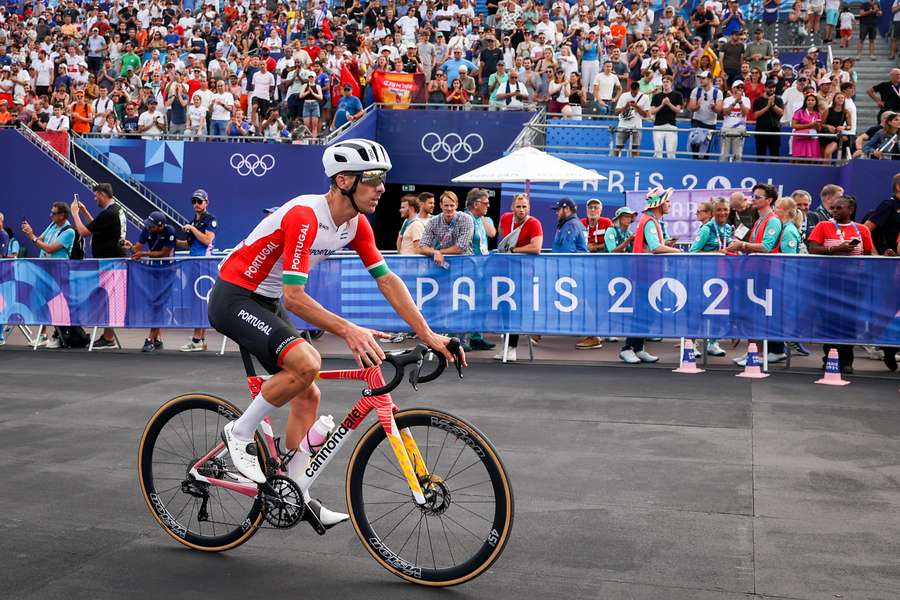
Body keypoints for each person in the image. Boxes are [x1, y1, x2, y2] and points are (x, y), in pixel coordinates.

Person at [210, 139, 462, 528]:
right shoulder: (305, 216)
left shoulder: (356, 224)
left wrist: (429, 335)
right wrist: (349, 329)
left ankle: (294, 491)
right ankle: (239, 431)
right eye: (374, 179)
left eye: (384, 180)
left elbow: (388, 281)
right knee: (308, 362)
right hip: (235, 296)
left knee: (308, 390)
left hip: (267, 299)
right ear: (343, 180)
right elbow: (295, 298)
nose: (382, 188)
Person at [808, 195, 876, 373]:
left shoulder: (862, 229)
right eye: (833, 208)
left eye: (839, 208)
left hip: (854, 283)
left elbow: (868, 254)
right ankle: (829, 358)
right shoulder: (823, 226)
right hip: (828, 281)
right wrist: (835, 249)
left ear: (850, 210)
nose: (835, 211)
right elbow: (812, 248)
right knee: (828, 320)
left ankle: (847, 361)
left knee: (850, 321)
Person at [726, 183, 787, 365]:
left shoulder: (773, 220)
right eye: (753, 196)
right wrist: (735, 245)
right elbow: (753, 245)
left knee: (759, 314)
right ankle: (752, 351)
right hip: (754, 272)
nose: (753, 199)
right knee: (752, 313)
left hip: (766, 274)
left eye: (757, 197)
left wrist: (742, 245)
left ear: (769, 200)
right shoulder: (759, 220)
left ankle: (759, 355)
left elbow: (766, 247)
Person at [621, 187, 681, 364]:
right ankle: (627, 349)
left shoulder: (652, 221)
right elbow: (655, 247)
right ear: (660, 203)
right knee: (642, 312)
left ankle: (638, 348)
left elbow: (654, 245)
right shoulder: (649, 221)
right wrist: (676, 251)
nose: (670, 204)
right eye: (667, 201)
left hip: (650, 274)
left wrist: (667, 245)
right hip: (644, 274)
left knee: (647, 313)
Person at [70, 184, 126, 349]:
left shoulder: (110, 213)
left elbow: (84, 231)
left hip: (110, 262)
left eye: (96, 196)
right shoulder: (116, 210)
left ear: (102, 194)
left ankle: (108, 338)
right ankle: (108, 336)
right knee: (108, 298)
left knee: (108, 298)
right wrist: (85, 212)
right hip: (112, 260)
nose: (95, 199)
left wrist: (75, 213)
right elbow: (97, 226)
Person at [494, 193, 544, 363]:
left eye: (524, 206)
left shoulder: (534, 223)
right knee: (503, 307)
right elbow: (503, 237)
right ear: (512, 207)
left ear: (528, 208)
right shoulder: (505, 219)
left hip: (523, 272)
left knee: (515, 308)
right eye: (518, 206)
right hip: (504, 270)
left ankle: (512, 348)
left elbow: (536, 247)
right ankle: (506, 346)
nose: (521, 210)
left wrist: (514, 251)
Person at [124, 211, 177, 353]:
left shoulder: (170, 231)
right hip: (153, 271)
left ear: (161, 226)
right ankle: (157, 339)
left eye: (152, 226)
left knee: (158, 304)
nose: (149, 228)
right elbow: (137, 248)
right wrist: (130, 246)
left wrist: (143, 254)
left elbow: (164, 253)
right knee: (154, 303)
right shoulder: (146, 229)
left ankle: (150, 339)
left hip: (167, 271)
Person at [178, 189, 217, 352]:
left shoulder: (210, 219)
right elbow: (189, 244)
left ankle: (197, 339)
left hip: (204, 264)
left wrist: (192, 229)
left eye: (199, 201)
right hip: (194, 263)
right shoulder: (192, 221)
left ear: (206, 202)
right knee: (198, 299)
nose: (196, 204)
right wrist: (173, 241)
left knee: (200, 300)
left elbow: (208, 240)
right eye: (194, 201)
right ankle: (199, 339)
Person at [463, 188, 497, 352]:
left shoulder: (479, 219)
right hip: (468, 269)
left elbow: (490, 235)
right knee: (466, 303)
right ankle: (460, 337)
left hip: (481, 268)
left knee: (480, 302)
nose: (488, 205)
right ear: (476, 204)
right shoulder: (464, 218)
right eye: (486, 203)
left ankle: (477, 337)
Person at [419, 191, 475, 268]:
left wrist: (438, 252)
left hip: (464, 264)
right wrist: (435, 253)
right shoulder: (433, 221)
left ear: (457, 205)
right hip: (441, 264)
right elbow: (422, 247)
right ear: (440, 205)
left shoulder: (466, 219)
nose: (449, 208)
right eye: (446, 205)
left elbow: (460, 248)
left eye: (452, 205)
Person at [650, 76, 683, 159]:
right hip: (658, 125)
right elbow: (652, 111)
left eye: (667, 82)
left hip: (671, 125)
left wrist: (669, 104)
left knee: (671, 153)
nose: (665, 83)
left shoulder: (677, 95)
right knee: (658, 153)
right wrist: (662, 105)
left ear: (671, 83)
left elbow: (678, 110)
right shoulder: (656, 96)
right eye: (664, 82)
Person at [614, 80, 650, 157]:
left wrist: (637, 106)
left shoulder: (645, 97)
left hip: (636, 126)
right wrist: (626, 106)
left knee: (635, 148)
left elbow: (646, 115)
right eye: (632, 92)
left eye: (635, 92)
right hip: (623, 125)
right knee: (618, 147)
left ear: (638, 89)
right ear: (630, 89)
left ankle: (636, 165)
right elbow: (616, 112)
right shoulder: (624, 96)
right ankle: (615, 163)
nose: (633, 93)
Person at [752, 79, 784, 161]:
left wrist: (772, 105)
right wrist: (767, 106)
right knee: (760, 155)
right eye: (770, 87)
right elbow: (755, 115)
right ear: (765, 88)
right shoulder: (758, 100)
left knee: (775, 156)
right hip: (761, 131)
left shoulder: (778, 100)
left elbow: (781, 113)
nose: (772, 89)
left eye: (773, 87)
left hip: (775, 131)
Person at [720, 80, 750, 162]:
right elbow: (725, 113)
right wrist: (734, 103)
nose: (740, 89)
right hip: (727, 129)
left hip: (739, 130)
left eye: (742, 87)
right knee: (724, 155)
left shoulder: (746, 100)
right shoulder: (727, 100)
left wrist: (740, 102)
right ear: (733, 89)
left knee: (738, 156)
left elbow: (745, 113)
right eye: (737, 87)